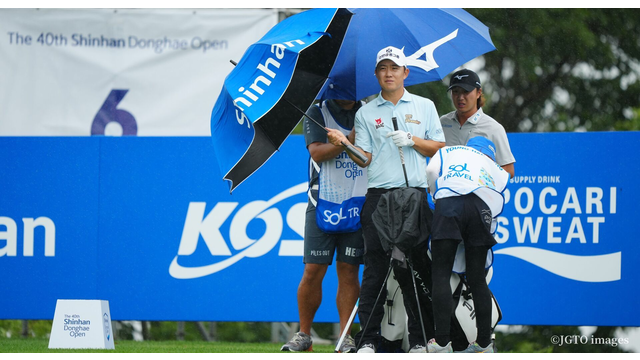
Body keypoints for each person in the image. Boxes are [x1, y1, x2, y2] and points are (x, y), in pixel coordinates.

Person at [326, 46, 446, 353]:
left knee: (415, 271)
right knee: (375, 272)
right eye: (383, 68)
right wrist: (343, 143)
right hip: (379, 197)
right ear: (377, 74)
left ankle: (420, 341)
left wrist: (412, 140)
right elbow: (363, 159)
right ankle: (368, 341)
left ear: (405, 72)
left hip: (416, 196)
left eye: (394, 68)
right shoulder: (366, 113)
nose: (388, 73)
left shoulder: (425, 106)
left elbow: (439, 148)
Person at [280, 99, 365, 353]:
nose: (348, 91)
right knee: (313, 270)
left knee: (349, 270)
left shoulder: (369, 112)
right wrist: (348, 140)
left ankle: (345, 338)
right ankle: (304, 334)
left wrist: (349, 141)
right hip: (321, 203)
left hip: (358, 202)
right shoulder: (316, 110)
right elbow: (316, 152)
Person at [425, 136, 510, 353]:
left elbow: (431, 171)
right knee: (477, 279)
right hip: (481, 209)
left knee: (441, 274)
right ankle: (483, 344)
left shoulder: (450, 151)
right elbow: (501, 197)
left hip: (449, 202)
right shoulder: (496, 167)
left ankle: (442, 343)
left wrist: (436, 194)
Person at [440, 69, 515, 178]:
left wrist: (479, 175)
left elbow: (508, 170)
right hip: (447, 193)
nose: (460, 97)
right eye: (455, 91)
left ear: (478, 93)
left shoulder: (493, 128)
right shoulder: (443, 122)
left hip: (478, 194)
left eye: (466, 91)